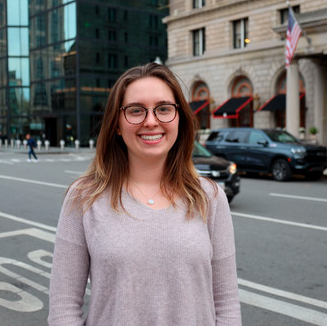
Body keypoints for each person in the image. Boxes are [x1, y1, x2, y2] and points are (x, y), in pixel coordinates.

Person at [48, 63, 242, 325]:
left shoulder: (210, 197)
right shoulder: (84, 197)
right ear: (116, 124)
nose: (151, 121)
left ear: (179, 119)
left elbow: (227, 306)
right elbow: (63, 308)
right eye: (136, 110)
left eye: (164, 109)